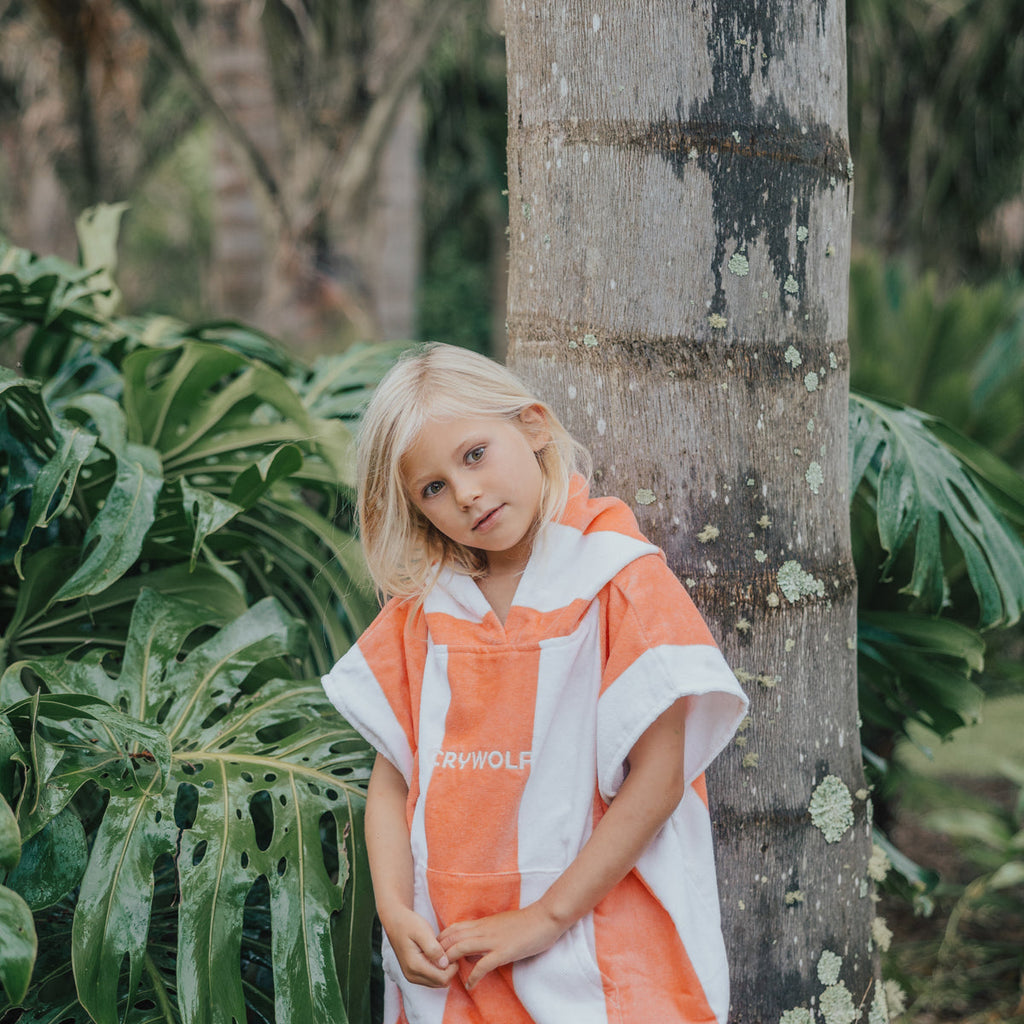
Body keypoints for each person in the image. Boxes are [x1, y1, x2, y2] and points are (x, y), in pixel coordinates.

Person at [322, 343, 749, 1024]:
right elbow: (393, 779)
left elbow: (661, 772)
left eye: (473, 454)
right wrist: (394, 907)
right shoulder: (424, 612)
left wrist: (547, 916)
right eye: (432, 487)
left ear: (532, 426)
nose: (465, 493)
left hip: (602, 941)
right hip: (456, 954)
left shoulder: (614, 576)